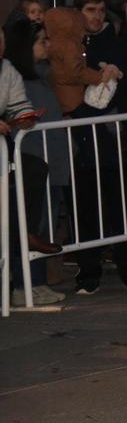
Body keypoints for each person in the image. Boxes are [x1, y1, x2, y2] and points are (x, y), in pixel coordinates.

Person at [44, 6, 127, 295]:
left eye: (101, 10)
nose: (96, 16)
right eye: (89, 11)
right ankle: (91, 274)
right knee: (84, 206)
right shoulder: (61, 45)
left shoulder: (99, 42)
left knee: (114, 202)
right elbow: (70, 74)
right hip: (78, 134)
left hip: (97, 134)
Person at [4, 19, 68, 305]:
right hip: (23, 156)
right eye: (42, 40)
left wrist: (25, 117)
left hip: (43, 159)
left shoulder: (22, 74)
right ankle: (24, 282)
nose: (48, 45)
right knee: (27, 220)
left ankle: (35, 280)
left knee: (41, 223)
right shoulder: (17, 71)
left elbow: (21, 107)